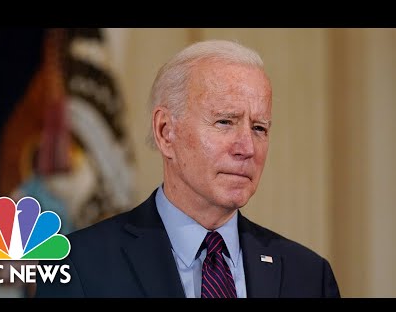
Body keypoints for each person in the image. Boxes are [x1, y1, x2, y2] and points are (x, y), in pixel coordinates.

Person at [35, 39, 340, 298]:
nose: (247, 148)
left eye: (259, 128)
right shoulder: (77, 265)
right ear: (166, 131)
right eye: (225, 122)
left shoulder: (309, 276)